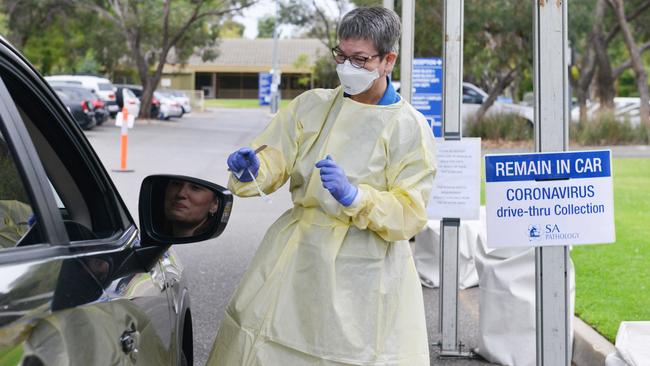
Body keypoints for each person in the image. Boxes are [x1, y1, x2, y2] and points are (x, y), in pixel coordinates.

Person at [208, 6, 436, 365]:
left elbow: (410, 213)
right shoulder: (311, 106)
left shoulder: (408, 126)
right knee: (266, 342)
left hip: (365, 272)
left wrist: (356, 196)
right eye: (341, 55)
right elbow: (274, 158)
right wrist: (254, 168)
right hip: (298, 255)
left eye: (360, 59)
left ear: (388, 60)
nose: (347, 67)